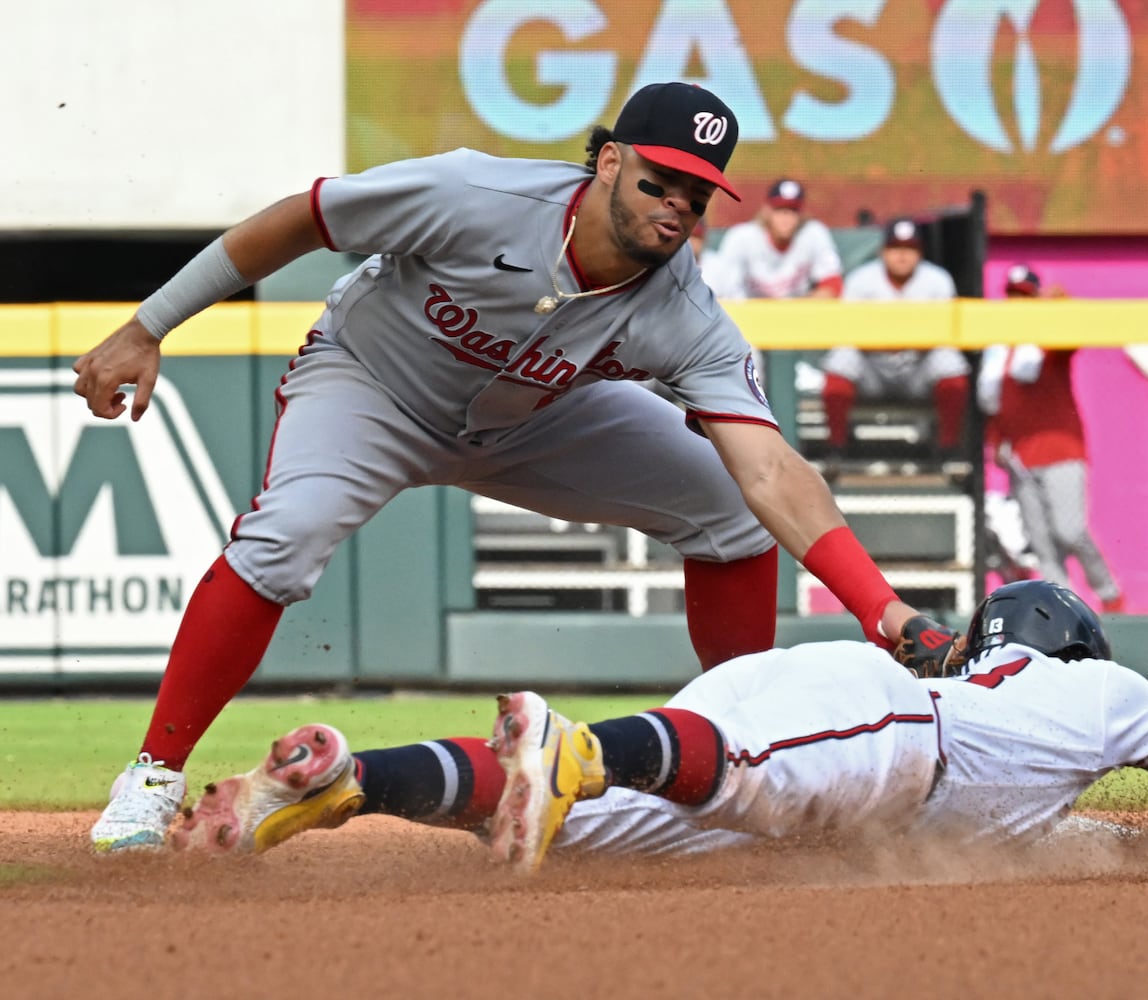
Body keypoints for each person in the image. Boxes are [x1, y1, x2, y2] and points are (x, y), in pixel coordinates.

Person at [75, 82, 959, 854]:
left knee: (727, 509)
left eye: (698, 195)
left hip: (536, 415)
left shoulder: (683, 309)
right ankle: (151, 777)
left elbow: (770, 471)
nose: (677, 208)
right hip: (371, 384)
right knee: (286, 538)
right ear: (608, 162)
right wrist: (149, 324)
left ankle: (723, 758)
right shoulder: (475, 191)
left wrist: (882, 610)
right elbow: (305, 218)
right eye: (660, 181)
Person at [172, 580, 1148, 869]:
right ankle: (570, 743)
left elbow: (1085, 847)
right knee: (590, 765)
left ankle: (341, 782)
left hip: (792, 759)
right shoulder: (1101, 695)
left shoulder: (1021, 745)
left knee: (564, 823)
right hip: (885, 730)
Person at [977, 265, 1124, 613]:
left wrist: (1060, 306)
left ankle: (1109, 593)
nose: (1018, 305)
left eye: (1025, 298)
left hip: (1060, 452)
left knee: (1070, 530)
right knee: (1042, 545)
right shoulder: (999, 350)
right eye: (1013, 297)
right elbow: (998, 405)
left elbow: (1070, 339)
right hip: (1020, 458)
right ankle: (1063, 611)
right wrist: (996, 439)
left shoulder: (1045, 343)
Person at [818, 218, 970, 459]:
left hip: (917, 368)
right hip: (872, 368)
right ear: (883, 251)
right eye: (896, 248)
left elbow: (944, 334)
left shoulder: (937, 280)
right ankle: (837, 445)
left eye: (909, 248)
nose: (902, 255)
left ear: (920, 252)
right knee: (842, 357)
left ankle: (948, 447)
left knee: (949, 359)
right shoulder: (861, 279)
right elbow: (846, 331)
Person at [714, 178, 843, 300]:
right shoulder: (741, 238)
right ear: (766, 211)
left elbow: (833, 286)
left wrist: (791, 314)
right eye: (780, 209)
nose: (786, 217)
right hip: (749, 317)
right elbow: (725, 292)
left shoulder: (814, 234)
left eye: (792, 210)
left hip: (797, 317)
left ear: (802, 214)